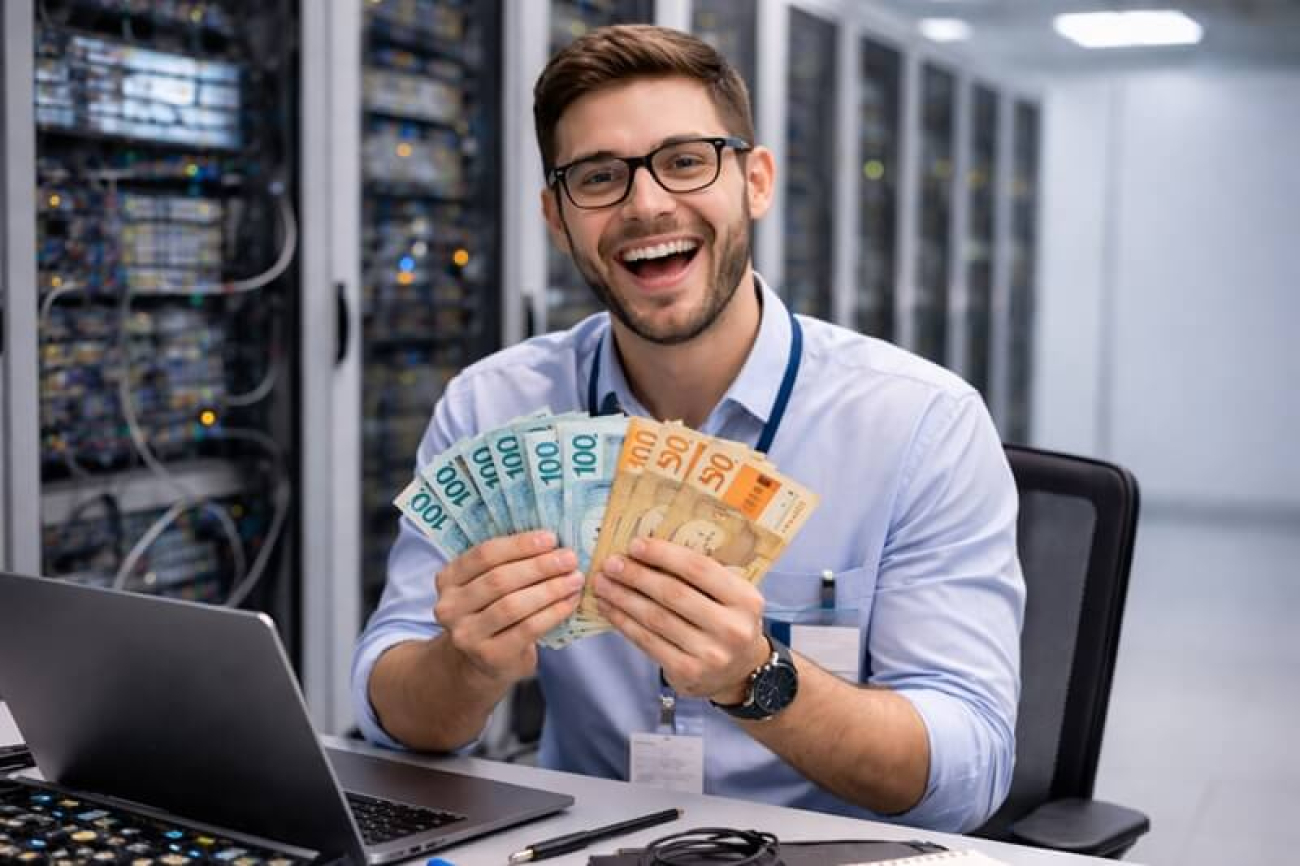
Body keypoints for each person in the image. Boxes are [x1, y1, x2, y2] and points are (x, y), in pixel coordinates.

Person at [352, 24, 1024, 833]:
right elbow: (388, 711)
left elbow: (968, 771)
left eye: (685, 161)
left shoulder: (921, 424)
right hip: (587, 847)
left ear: (757, 181)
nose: (646, 204)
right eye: (599, 177)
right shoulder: (491, 408)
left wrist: (760, 678)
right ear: (557, 219)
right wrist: (464, 664)